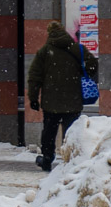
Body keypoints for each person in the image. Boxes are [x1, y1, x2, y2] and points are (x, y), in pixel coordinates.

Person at [27, 20, 98, 171]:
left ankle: (47, 158)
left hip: (51, 102)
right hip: (73, 99)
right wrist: (81, 72)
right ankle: (71, 159)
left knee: (49, 132)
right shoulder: (77, 49)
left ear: (49, 34)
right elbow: (92, 65)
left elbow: (34, 76)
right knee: (71, 131)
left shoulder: (44, 52)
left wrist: (33, 98)